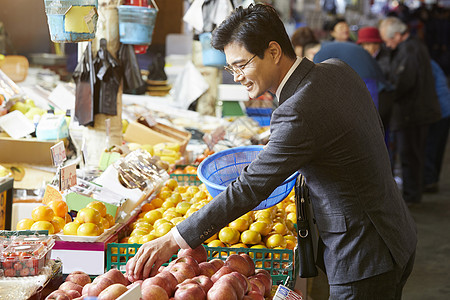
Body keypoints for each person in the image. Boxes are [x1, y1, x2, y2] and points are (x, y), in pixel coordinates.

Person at [128, 4, 417, 299]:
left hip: (364, 257)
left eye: (241, 65)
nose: (236, 76)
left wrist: (173, 239)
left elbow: (250, 188)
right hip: (394, 231)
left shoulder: (298, 109)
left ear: (274, 52)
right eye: (231, 68)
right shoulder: (336, 69)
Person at [379, 17, 441, 205]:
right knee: (413, 155)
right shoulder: (413, 46)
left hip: (413, 113)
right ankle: (413, 193)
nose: (388, 46)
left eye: (388, 40)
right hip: (415, 111)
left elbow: (404, 82)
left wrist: (387, 93)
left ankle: (412, 196)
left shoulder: (409, 50)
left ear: (397, 35)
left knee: (410, 156)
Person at [424, 59, 450, 192]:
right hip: (445, 109)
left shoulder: (424, 64)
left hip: (438, 110)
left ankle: (429, 181)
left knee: (430, 146)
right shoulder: (432, 63)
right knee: (437, 147)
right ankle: (433, 181)